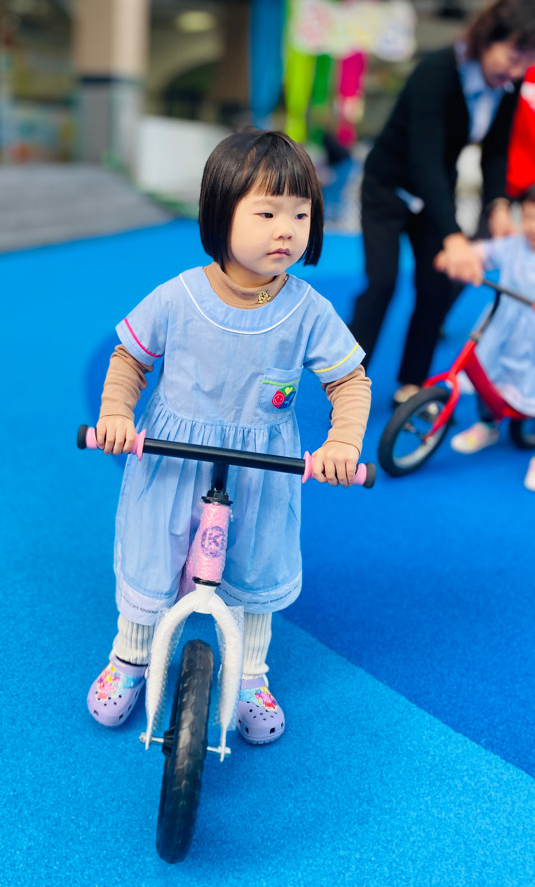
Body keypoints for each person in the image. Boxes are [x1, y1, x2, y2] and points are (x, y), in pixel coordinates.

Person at [86, 129, 371, 745]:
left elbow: (349, 380)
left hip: (262, 466)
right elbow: (130, 358)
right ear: (221, 211)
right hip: (173, 460)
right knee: (152, 555)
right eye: (267, 213)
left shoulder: (307, 310)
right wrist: (116, 414)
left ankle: (249, 674)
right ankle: (131, 657)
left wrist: (343, 445)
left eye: (300, 214)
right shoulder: (179, 296)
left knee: (255, 566)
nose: (286, 229)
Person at [349, 0, 535, 408]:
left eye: (528, 61)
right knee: (382, 283)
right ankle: (347, 383)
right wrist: (453, 236)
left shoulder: (506, 88)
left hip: (433, 192)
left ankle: (411, 384)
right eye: (514, 56)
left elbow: (495, 153)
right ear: (489, 36)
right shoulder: (437, 71)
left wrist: (498, 205)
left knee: (435, 286)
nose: (517, 70)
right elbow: (425, 158)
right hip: (388, 186)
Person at [438, 189, 535, 491]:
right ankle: (487, 425)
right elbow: (482, 252)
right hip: (504, 330)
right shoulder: (513, 245)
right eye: (527, 217)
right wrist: (460, 257)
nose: (531, 226)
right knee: (486, 375)